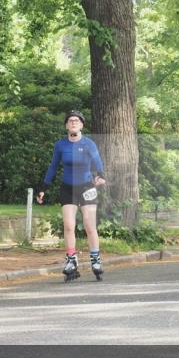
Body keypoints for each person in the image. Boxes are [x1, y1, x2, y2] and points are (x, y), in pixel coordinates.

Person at [36, 110, 106, 281]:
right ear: (66, 125)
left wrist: (100, 176)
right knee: (68, 225)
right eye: (70, 120)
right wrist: (43, 187)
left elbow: (98, 163)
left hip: (87, 188)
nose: (73, 123)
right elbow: (53, 167)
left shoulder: (89, 144)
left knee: (90, 226)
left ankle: (95, 260)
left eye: (77, 120)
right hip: (68, 188)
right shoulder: (60, 145)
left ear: (82, 124)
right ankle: (71, 261)